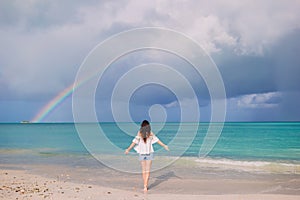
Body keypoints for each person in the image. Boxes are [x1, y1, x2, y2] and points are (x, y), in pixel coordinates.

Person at [124, 120, 169, 192]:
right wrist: (164, 145)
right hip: (149, 154)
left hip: (142, 154)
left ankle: (144, 185)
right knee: (147, 171)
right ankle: (145, 186)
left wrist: (128, 149)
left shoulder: (140, 133)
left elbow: (134, 142)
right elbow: (157, 140)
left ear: (142, 126)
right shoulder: (150, 133)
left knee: (143, 170)